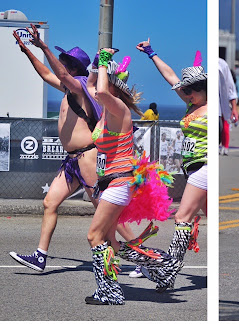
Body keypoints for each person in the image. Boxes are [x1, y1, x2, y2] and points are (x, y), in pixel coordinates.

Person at [8, 24, 137, 273]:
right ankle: (40, 256)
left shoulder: (79, 86)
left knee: (104, 210)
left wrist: (43, 46)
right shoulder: (69, 89)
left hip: (88, 157)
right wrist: (27, 51)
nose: (61, 63)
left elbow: (61, 76)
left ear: (75, 68)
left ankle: (138, 253)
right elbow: (47, 74)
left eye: (65, 60)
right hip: (71, 161)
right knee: (50, 203)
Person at [86, 48, 181, 305]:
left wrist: (105, 60)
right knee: (110, 241)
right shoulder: (106, 111)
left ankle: (109, 292)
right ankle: (161, 265)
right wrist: (97, 64)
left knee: (94, 236)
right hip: (110, 184)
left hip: (119, 182)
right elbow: (94, 85)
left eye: (103, 87)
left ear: (114, 91)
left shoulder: (118, 109)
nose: (96, 91)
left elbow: (102, 91)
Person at [135, 39, 208, 278]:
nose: (187, 94)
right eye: (185, 91)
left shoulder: (211, 106)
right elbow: (170, 76)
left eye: (191, 90)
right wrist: (151, 53)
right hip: (193, 169)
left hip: (206, 165)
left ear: (204, 88)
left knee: (182, 216)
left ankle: (170, 269)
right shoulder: (190, 104)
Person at [219, 57, 239, 156]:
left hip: (224, 104)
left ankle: (225, 146)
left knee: (225, 125)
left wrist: (234, 108)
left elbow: (231, 88)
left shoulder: (222, 64)